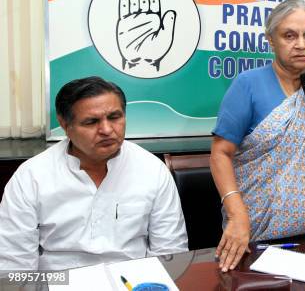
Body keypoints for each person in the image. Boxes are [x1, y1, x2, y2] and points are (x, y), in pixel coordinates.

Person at [211, 0, 305, 272]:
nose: (301, 43)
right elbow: (220, 152)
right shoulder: (247, 85)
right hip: (260, 234)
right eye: (290, 35)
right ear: (271, 40)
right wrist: (237, 214)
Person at [0, 77, 187, 271]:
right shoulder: (32, 176)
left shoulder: (152, 170)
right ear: (64, 124)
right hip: (59, 282)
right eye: (91, 122)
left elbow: (170, 253)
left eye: (115, 117)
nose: (106, 130)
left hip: (131, 281)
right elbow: (14, 265)